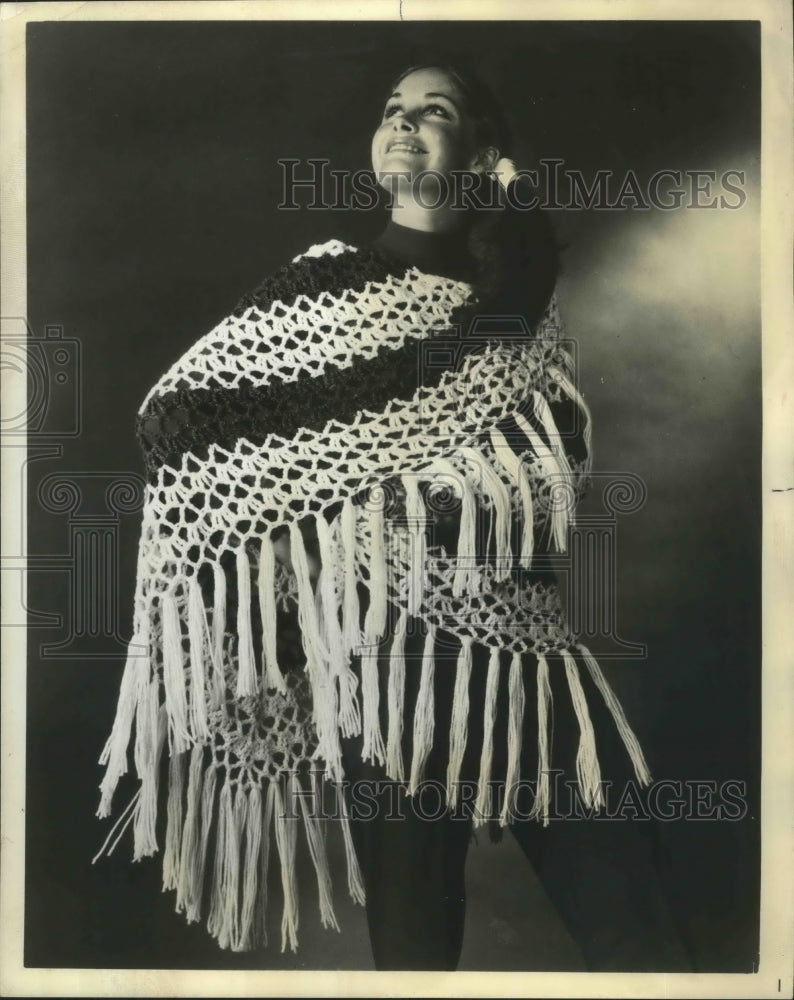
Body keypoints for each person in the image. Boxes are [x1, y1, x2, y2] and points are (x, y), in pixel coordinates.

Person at [95, 63, 689, 972]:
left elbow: (555, 470)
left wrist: (404, 488)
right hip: (391, 683)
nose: (404, 122)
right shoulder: (321, 293)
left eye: (435, 111)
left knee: (648, 944)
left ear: (484, 153)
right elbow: (174, 420)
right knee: (415, 962)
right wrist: (347, 520)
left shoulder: (524, 313)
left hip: (531, 670)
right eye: (390, 112)